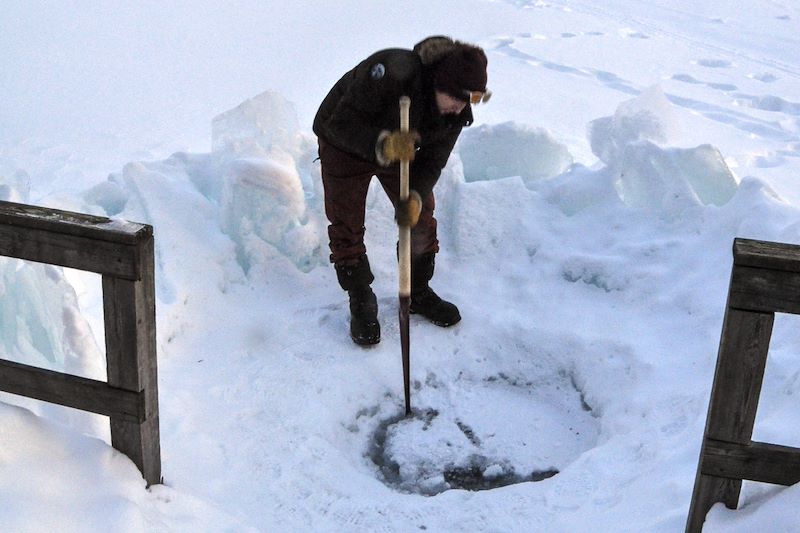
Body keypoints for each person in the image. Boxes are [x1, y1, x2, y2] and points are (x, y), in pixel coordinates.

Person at [313, 36, 489, 345]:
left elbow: (433, 162)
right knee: (346, 224)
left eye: (468, 100)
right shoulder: (392, 71)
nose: (459, 107)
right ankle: (360, 297)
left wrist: (416, 196)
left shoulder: (455, 113)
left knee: (420, 216)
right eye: (455, 98)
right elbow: (339, 124)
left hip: (402, 150)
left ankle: (417, 291)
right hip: (344, 143)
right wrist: (383, 144)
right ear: (438, 84)